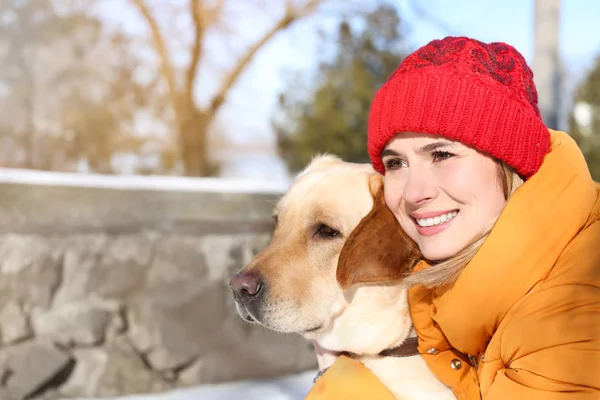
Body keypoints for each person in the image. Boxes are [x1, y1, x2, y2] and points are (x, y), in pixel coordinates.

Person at [305, 36, 600, 399]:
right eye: (396, 163)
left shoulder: (575, 305)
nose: (414, 192)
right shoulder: (448, 277)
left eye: (442, 154)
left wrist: (342, 386)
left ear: (509, 162)